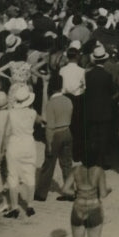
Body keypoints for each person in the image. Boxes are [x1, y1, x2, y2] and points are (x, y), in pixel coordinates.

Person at [64, 154, 108, 237]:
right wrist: (108, 190)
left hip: (78, 208)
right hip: (94, 208)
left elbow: (65, 189)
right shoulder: (99, 171)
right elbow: (103, 194)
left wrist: (77, 193)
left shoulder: (75, 170)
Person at [1, 83, 39, 218]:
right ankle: (30, 205)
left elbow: (7, 133)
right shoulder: (33, 113)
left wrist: (2, 149)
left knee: (13, 176)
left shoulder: (11, 113)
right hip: (29, 143)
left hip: (15, 143)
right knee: (30, 174)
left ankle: (15, 207)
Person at [35, 73, 75, 201]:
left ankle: (41, 194)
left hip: (56, 133)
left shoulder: (51, 103)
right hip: (67, 131)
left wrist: (49, 143)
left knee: (48, 164)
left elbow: (49, 126)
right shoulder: (68, 100)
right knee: (67, 164)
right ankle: (70, 191)